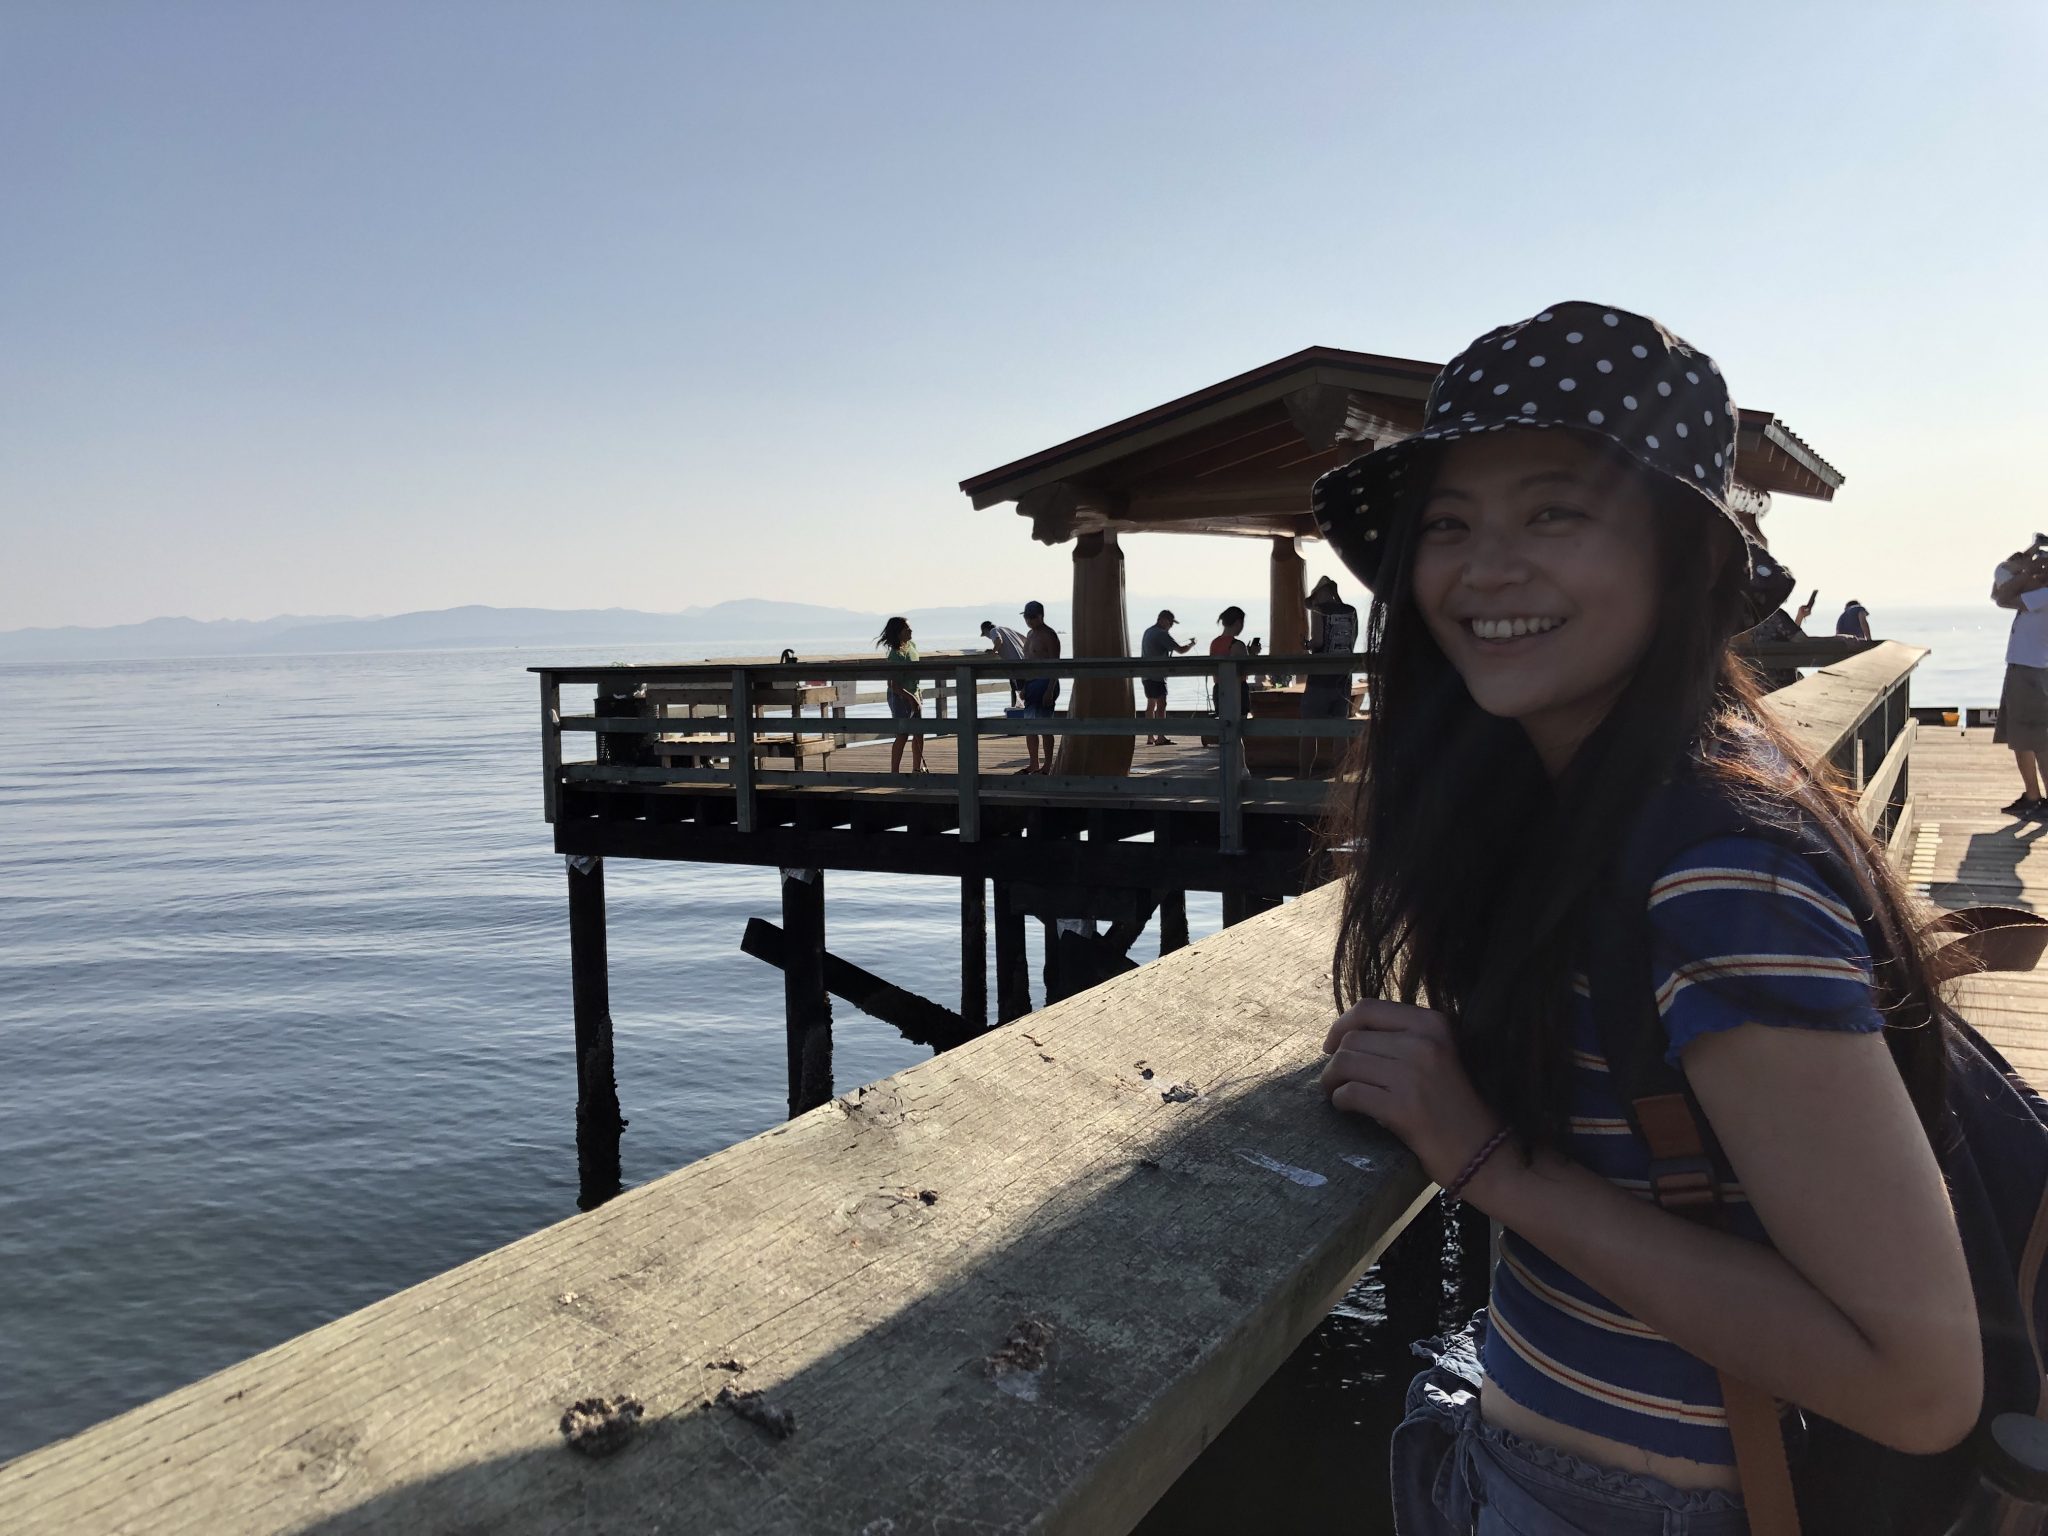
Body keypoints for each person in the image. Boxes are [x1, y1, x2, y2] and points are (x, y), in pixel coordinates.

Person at [1308, 301, 1977, 1532]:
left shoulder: (1716, 873)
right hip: (1530, 1459)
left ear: (1687, 562)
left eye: (1552, 514)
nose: (1482, 568)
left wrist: (1487, 1158)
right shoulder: (1625, 801)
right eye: (1447, 524)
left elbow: (1917, 1384)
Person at [1992, 545, 2048, 817]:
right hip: (2028, 669)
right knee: (2025, 738)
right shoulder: (2037, 592)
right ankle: (2033, 795)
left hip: (2031, 671)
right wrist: (2027, 559)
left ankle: (2036, 797)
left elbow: (2002, 598)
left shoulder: (2043, 595)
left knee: (2034, 738)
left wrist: (2025, 570)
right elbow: (1998, 587)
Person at [1742, 588, 1817, 693]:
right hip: (1781, 685)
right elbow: (1801, 641)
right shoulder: (1777, 615)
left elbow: (1783, 637)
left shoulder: (1749, 618)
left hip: (1757, 686)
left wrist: (1799, 617)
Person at [875, 616, 925, 773]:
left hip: (915, 692)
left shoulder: (912, 646)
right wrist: (910, 698)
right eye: (906, 629)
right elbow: (892, 684)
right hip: (900, 696)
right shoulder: (895, 654)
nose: (910, 631)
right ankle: (894, 772)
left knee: (919, 733)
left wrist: (916, 696)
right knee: (902, 734)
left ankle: (917, 769)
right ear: (898, 632)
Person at [1017, 600, 1062, 775]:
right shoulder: (1029, 634)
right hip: (1031, 683)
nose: (1029, 621)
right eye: (1027, 618)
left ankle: (1047, 765)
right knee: (1029, 726)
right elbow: (1028, 661)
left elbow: (1056, 663)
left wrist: (1050, 689)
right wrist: (1024, 686)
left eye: (1032, 617)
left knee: (1045, 727)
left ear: (1041, 616)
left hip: (1045, 682)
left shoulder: (1049, 635)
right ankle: (1033, 763)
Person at [1139, 609, 1193, 745]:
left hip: (1146, 675)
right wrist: (1192, 644)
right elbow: (1181, 650)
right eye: (1170, 623)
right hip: (1157, 675)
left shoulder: (1148, 631)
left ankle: (1150, 736)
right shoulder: (1161, 634)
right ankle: (1161, 737)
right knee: (1162, 705)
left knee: (1151, 705)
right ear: (1163, 620)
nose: (1171, 626)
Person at [1208, 606, 1260, 725]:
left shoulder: (1214, 643)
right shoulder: (1238, 645)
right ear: (1238, 622)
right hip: (1237, 690)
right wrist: (1253, 654)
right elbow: (1247, 669)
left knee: (1225, 726)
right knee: (1240, 726)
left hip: (1219, 689)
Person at [981, 618, 1027, 708]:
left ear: (986, 630)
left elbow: (999, 641)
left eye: (985, 635)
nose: (988, 637)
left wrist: (993, 652)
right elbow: (1026, 640)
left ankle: (1020, 712)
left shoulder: (993, 631)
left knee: (1019, 691)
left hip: (1015, 665)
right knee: (1024, 690)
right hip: (1025, 662)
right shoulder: (1008, 630)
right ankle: (1023, 710)